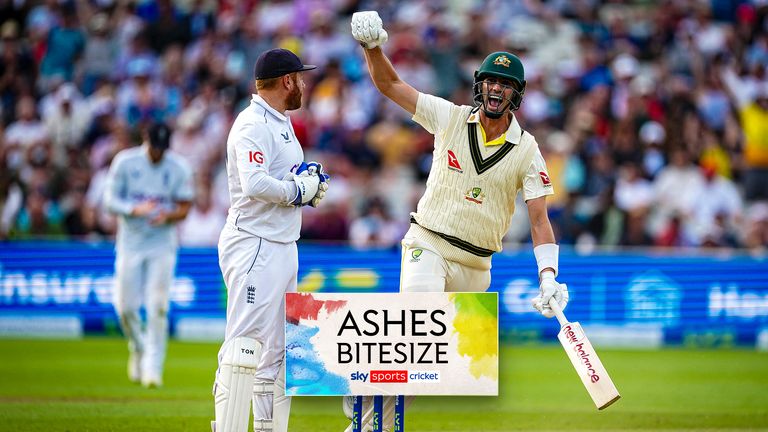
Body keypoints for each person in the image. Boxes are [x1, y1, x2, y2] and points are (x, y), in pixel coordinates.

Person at [345, 11, 569, 430]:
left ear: (516, 94)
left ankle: (366, 398)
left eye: (506, 84)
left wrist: (549, 276)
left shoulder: (527, 149)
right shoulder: (449, 117)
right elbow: (390, 85)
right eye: (491, 81)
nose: (497, 89)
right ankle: (366, 400)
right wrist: (373, 47)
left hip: (477, 266)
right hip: (427, 242)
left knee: (424, 368)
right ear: (479, 85)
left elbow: (539, 219)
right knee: (417, 327)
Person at [211, 48, 329, 432]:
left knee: (280, 351)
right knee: (245, 344)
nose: (305, 85)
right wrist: (298, 190)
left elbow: (282, 174)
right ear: (287, 82)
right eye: (301, 78)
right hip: (254, 244)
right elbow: (255, 183)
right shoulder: (251, 124)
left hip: (281, 243)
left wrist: (308, 183)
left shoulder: (279, 121)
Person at [104, 122, 194, 388]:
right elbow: (109, 200)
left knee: (158, 306)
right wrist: (135, 209)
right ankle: (139, 347)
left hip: (161, 245)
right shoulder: (125, 162)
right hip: (130, 243)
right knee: (125, 307)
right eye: (155, 147)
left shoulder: (178, 167)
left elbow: (185, 206)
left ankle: (153, 367)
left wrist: (167, 215)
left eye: (162, 149)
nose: (158, 154)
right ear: (146, 138)